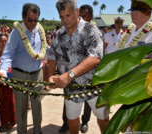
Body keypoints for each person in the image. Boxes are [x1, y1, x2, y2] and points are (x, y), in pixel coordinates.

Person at [47, 0, 109, 134]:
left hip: (93, 86)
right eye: (61, 17)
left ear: (77, 11)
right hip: (71, 89)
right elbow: (52, 56)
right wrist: (50, 76)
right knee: (71, 118)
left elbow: (95, 57)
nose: (65, 20)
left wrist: (69, 75)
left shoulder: (91, 30)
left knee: (103, 117)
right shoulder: (59, 35)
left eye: (68, 15)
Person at [0, 3, 48, 134]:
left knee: (37, 104)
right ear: (22, 17)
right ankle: (22, 132)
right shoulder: (16, 33)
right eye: (29, 20)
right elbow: (8, 54)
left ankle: (37, 130)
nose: (33, 23)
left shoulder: (39, 30)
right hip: (20, 75)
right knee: (21, 107)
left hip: (37, 74)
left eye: (36, 20)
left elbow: (45, 49)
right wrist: (2, 71)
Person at [58, 4, 95, 134]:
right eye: (81, 15)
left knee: (87, 101)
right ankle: (66, 123)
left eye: (85, 16)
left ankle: (84, 122)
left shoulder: (93, 32)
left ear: (91, 16)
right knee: (69, 101)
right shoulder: (67, 32)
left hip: (88, 77)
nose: (81, 18)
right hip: (70, 77)